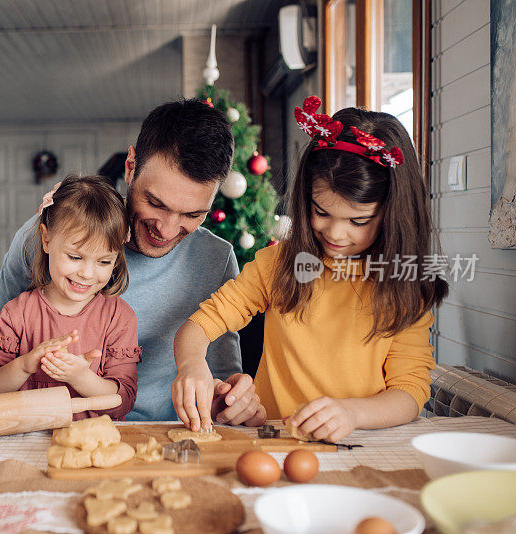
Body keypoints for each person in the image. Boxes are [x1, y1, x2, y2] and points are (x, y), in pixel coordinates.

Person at [173, 96, 448, 442]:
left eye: (358, 221)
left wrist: (353, 412)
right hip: (276, 442)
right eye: (321, 212)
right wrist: (192, 365)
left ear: (394, 214)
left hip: (362, 443)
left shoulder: (405, 283)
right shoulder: (278, 266)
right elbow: (197, 327)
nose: (335, 233)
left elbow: (409, 391)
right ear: (306, 199)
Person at [0, 99, 265, 427]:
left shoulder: (216, 258)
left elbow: (220, 373)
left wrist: (231, 399)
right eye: (156, 203)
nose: (167, 230)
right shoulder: (48, 240)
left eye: (192, 214)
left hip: (165, 434)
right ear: (130, 167)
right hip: (53, 429)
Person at [0, 175, 140, 420]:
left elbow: (123, 402)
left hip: (91, 445)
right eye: (75, 257)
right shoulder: (17, 312)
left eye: (104, 261)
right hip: (25, 442)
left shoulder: (119, 317)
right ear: (46, 239)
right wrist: (24, 365)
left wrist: (81, 377)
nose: (86, 274)